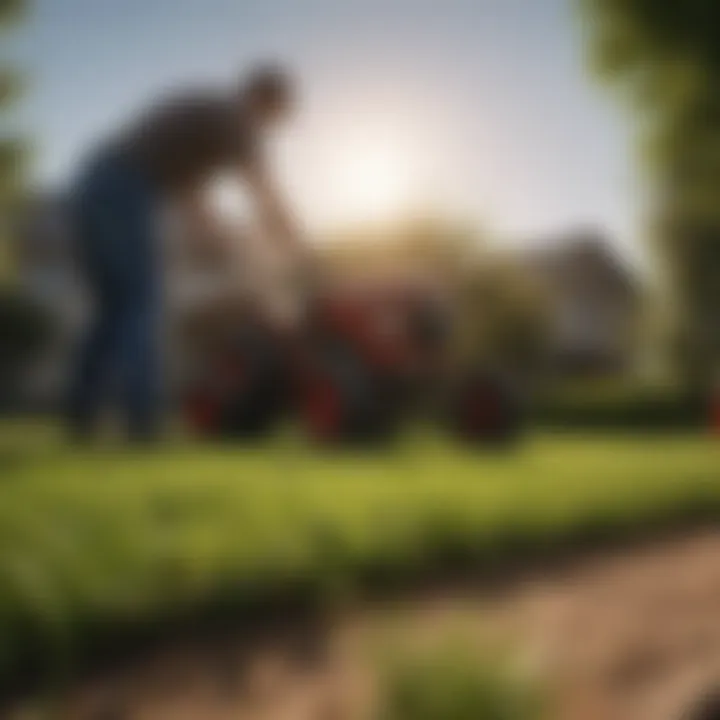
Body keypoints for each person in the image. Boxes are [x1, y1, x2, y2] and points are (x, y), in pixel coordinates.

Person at [67, 65, 303, 442]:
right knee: (140, 303)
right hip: (123, 187)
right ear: (263, 100)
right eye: (275, 117)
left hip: (96, 183)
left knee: (114, 310)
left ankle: (79, 420)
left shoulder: (209, 116)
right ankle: (143, 424)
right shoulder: (234, 119)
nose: (269, 128)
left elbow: (189, 191)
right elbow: (261, 188)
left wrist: (209, 235)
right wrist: (296, 243)